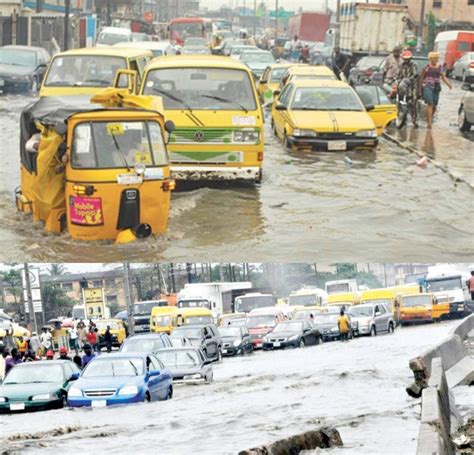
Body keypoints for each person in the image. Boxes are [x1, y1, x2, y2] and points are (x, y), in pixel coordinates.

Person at [419, 52, 452, 129]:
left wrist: (448, 84)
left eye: (436, 59)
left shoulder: (440, 67)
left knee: (434, 105)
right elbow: (421, 77)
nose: (435, 60)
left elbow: (443, 77)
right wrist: (420, 88)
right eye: (433, 59)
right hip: (428, 86)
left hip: (436, 87)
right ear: (430, 59)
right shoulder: (426, 67)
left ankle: (429, 116)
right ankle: (429, 123)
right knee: (430, 104)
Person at [397, 50, 419, 127]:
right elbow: (398, 75)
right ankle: (402, 118)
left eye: (408, 59)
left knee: (414, 103)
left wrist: (409, 79)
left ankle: (414, 120)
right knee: (400, 101)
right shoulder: (401, 66)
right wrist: (398, 80)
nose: (406, 60)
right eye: (405, 59)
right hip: (403, 87)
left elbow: (415, 75)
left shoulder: (413, 65)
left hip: (412, 87)